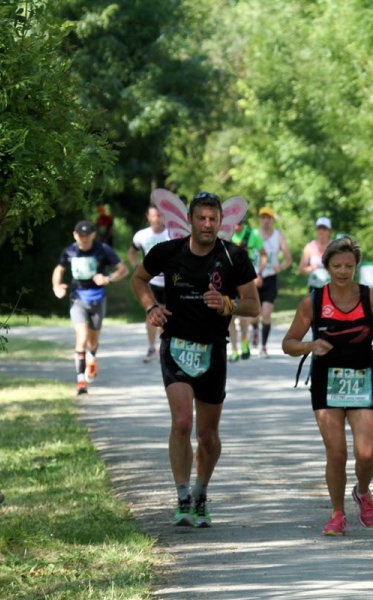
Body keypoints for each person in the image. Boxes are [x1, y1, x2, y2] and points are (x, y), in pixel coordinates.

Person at [131, 192, 260, 528]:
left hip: (213, 348)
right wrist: (151, 306)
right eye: (201, 218)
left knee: (207, 436)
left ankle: (202, 492)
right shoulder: (168, 251)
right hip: (175, 345)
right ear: (189, 219)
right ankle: (182, 496)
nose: (207, 224)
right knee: (182, 423)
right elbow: (138, 278)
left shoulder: (233, 256)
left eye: (212, 219)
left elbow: (253, 305)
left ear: (221, 221)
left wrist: (227, 303)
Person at [282, 236, 373, 536]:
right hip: (326, 383)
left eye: (349, 265)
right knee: (336, 453)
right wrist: (310, 345)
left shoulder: (371, 298)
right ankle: (337, 514)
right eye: (337, 266)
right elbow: (288, 344)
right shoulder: (313, 301)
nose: (343, 271)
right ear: (327, 266)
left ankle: (363, 491)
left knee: (367, 453)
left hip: (361, 379)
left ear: (356, 266)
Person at [51, 219, 128, 395]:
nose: (84, 239)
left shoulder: (102, 250)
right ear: (75, 235)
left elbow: (123, 269)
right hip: (77, 297)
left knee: (93, 340)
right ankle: (81, 381)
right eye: (81, 235)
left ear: (93, 235)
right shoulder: (69, 251)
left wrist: (108, 278)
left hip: (97, 299)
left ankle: (92, 357)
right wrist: (56, 286)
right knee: (82, 335)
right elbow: (59, 270)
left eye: (87, 235)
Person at [128, 205, 171, 363]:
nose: (157, 218)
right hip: (150, 281)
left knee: (167, 314)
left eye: (159, 215)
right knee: (152, 312)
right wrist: (137, 267)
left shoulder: (170, 234)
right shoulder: (142, 235)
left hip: (169, 281)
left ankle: (165, 346)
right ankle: (152, 347)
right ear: (148, 217)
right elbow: (132, 252)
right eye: (153, 215)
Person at [253, 206, 293, 357]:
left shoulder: (278, 236)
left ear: (272, 220)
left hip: (270, 278)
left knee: (266, 313)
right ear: (259, 219)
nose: (265, 220)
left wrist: (280, 266)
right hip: (255, 278)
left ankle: (263, 346)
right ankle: (255, 329)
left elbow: (288, 259)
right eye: (263, 217)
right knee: (254, 315)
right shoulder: (254, 235)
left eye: (268, 217)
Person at [228, 219, 266, 360]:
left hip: (245, 278)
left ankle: (244, 341)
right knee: (230, 314)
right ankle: (234, 349)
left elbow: (263, 254)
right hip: (229, 279)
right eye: (234, 223)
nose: (236, 226)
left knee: (243, 314)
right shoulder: (226, 233)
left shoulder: (252, 234)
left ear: (243, 223)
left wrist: (258, 273)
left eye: (239, 223)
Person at [299, 217, 333, 292]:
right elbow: (301, 269)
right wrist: (312, 268)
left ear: (329, 231)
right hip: (314, 287)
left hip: (332, 287)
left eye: (324, 228)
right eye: (319, 228)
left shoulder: (335, 247)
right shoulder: (309, 247)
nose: (321, 231)